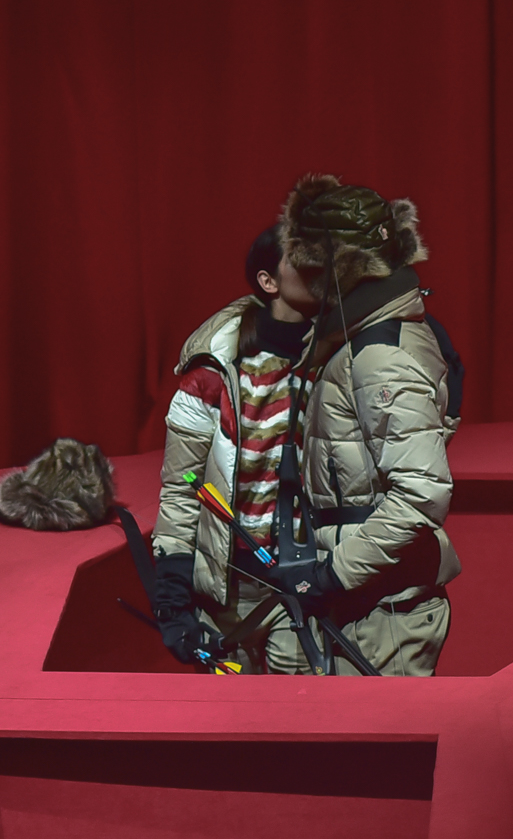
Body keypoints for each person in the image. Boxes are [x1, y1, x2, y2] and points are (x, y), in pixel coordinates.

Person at [270, 174, 462, 676]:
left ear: (333, 270)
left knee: (377, 732)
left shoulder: (379, 356)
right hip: (366, 603)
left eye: (298, 258)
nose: (285, 267)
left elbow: (422, 493)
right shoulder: (361, 341)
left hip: (383, 613)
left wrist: (332, 574)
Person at [152, 226, 317, 674]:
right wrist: (172, 599)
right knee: (234, 711)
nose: (319, 266)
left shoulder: (337, 362)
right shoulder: (211, 374)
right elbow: (181, 490)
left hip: (304, 584)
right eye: (303, 257)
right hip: (227, 591)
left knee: (300, 708)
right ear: (269, 281)